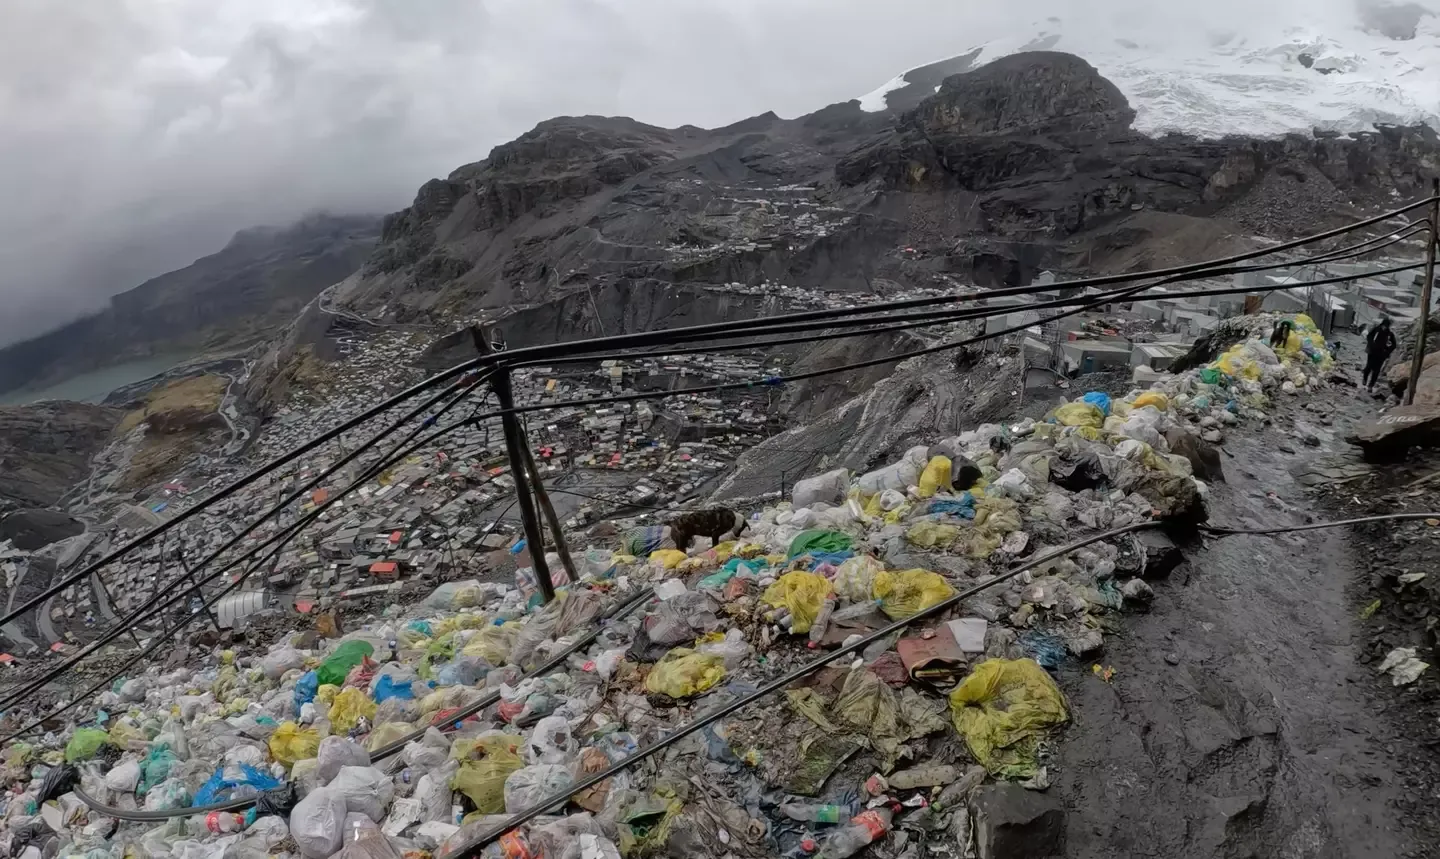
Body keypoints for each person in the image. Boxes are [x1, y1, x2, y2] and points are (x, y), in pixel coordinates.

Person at [1364, 318, 1398, 391]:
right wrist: (1372, 345)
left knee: (1376, 371)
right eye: (1384, 326)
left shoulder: (1389, 334)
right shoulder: (1376, 330)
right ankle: (1364, 379)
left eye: (1386, 326)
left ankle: (1371, 385)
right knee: (1368, 367)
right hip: (1372, 352)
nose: (1384, 327)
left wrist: (1387, 351)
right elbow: (1369, 337)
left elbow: (1394, 345)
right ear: (1382, 324)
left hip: (1381, 355)